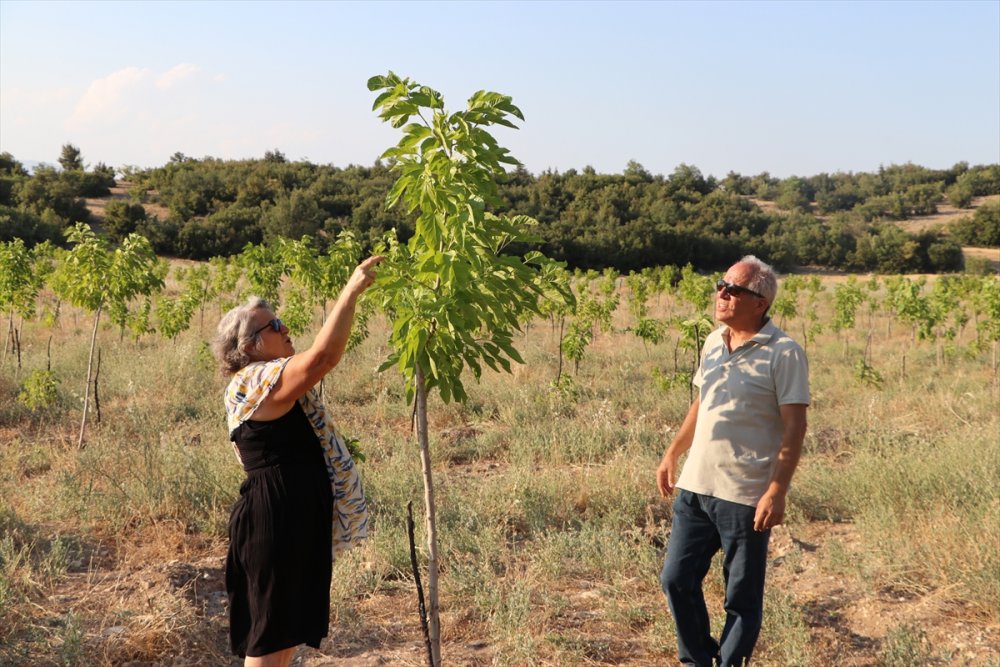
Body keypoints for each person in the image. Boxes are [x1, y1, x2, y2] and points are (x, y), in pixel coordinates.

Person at [212, 255, 382, 667]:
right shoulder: (252, 381)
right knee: (269, 645)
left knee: (283, 640)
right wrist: (351, 290)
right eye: (274, 325)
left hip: (291, 519)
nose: (285, 328)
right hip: (275, 521)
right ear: (249, 346)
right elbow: (322, 359)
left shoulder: (266, 380)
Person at [656, 255, 809, 667]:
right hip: (696, 487)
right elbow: (703, 402)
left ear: (760, 302)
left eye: (734, 289)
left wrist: (777, 490)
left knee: (740, 597)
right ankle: (698, 660)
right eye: (721, 285)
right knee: (675, 579)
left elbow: (795, 426)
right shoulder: (712, 341)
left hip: (745, 493)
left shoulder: (784, 353)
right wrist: (673, 453)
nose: (722, 294)